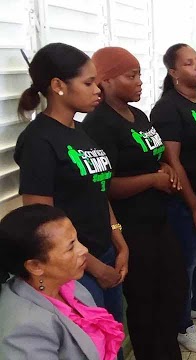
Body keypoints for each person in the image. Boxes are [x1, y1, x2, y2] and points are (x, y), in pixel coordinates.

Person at [13, 42, 128, 359]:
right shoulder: (39, 141)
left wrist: (119, 241)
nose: (98, 90)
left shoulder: (80, 131)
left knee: (110, 342)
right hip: (72, 270)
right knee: (88, 348)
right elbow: (42, 222)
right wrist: (94, 266)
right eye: (88, 83)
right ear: (58, 86)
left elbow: (97, 189)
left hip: (103, 256)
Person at [82, 46, 188, 360]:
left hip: (158, 220)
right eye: (132, 75)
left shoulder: (138, 114)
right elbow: (106, 185)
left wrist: (165, 168)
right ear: (106, 80)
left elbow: (153, 154)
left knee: (173, 290)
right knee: (145, 304)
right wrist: (152, 180)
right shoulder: (98, 125)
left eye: (140, 73)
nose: (140, 81)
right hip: (131, 228)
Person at [150, 43, 196, 353]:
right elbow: (173, 161)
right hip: (186, 197)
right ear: (173, 71)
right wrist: (194, 205)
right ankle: (182, 325)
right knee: (185, 264)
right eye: (189, 63)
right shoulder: (169, 107)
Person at [0, 204, 124, 360]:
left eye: (77, 240)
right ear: (35, 266)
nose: (84, 250)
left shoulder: (67, 285)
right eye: (71, 247)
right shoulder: (24, 329)